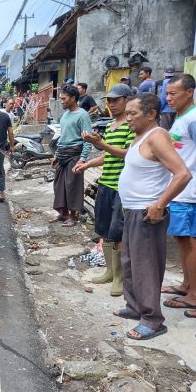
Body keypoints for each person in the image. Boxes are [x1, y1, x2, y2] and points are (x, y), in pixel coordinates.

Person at [95, 93, 191, 340]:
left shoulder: (157, 136)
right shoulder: (140, 137)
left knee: (146, 266)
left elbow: (182, 174)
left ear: (151, 114)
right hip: (131, 210)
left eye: (132, 114)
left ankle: (152, 319)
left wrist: (160, 204)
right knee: (130, 262)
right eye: (126, 113)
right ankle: (135, 306)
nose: (127, 119)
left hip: (146, 212)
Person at [75, 84, 134, 296]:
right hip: (106, 182)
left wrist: (101, 144)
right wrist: (88, 165)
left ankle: (119, 278)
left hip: (121, 186)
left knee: (118, 232)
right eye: (109, 100)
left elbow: (126, 154)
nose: (111, 104)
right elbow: (108, 155)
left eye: (116, 100)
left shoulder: (130, 125)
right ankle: (110, 272)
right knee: (105, 229)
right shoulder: (110, 126)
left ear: (128, 100)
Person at [160, 74, 196, 341]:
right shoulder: (181, 118)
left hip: (188, 191)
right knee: (180, 238)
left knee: (188, 241)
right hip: (178, 190)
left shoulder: (195, 119)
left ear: (190, 92)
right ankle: (187, 284)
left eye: (174, 93)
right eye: (168, 93)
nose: (169, 98)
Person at [50, 85, 92, 227]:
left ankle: (73, 217)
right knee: (59, 185)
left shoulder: (83, 115)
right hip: (62, 154)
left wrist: (82, 159)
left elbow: (87, 139)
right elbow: (62, 137)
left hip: (75, 154)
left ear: (73, 98)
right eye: (60, 98)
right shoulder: (65, 115)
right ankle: (63, 214)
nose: (61, 101)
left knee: (72, 186)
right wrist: (56, 155)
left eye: (64, 98)